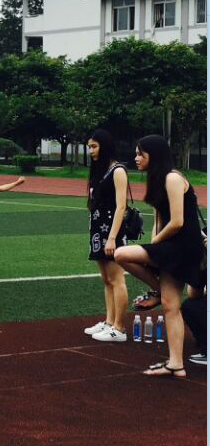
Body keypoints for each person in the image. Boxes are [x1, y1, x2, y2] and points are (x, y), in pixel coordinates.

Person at [115, 135, 205, 378]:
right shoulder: (156, 181)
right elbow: (159, 221)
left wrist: (155, 244)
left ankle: (156, 290)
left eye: (140, 154)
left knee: (121, 254)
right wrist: (155, 241)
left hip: (184, 246)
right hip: (171, 245)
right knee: (170, 305)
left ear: (153, 155)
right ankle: (176, 364)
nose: (135, 158)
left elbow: (177, 222)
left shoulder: (172, 178)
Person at [81, 129, 130, 342]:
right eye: (89, 147)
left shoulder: (117, 170)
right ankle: (109, 322)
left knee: (117, 279)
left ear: (105, 146)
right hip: (97, 230)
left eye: (94, 146)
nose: (91, 151)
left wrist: (111, 237)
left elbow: (121, 206)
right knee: (106, 279)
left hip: (111, 231)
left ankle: (119, 328)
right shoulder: (99, 170)